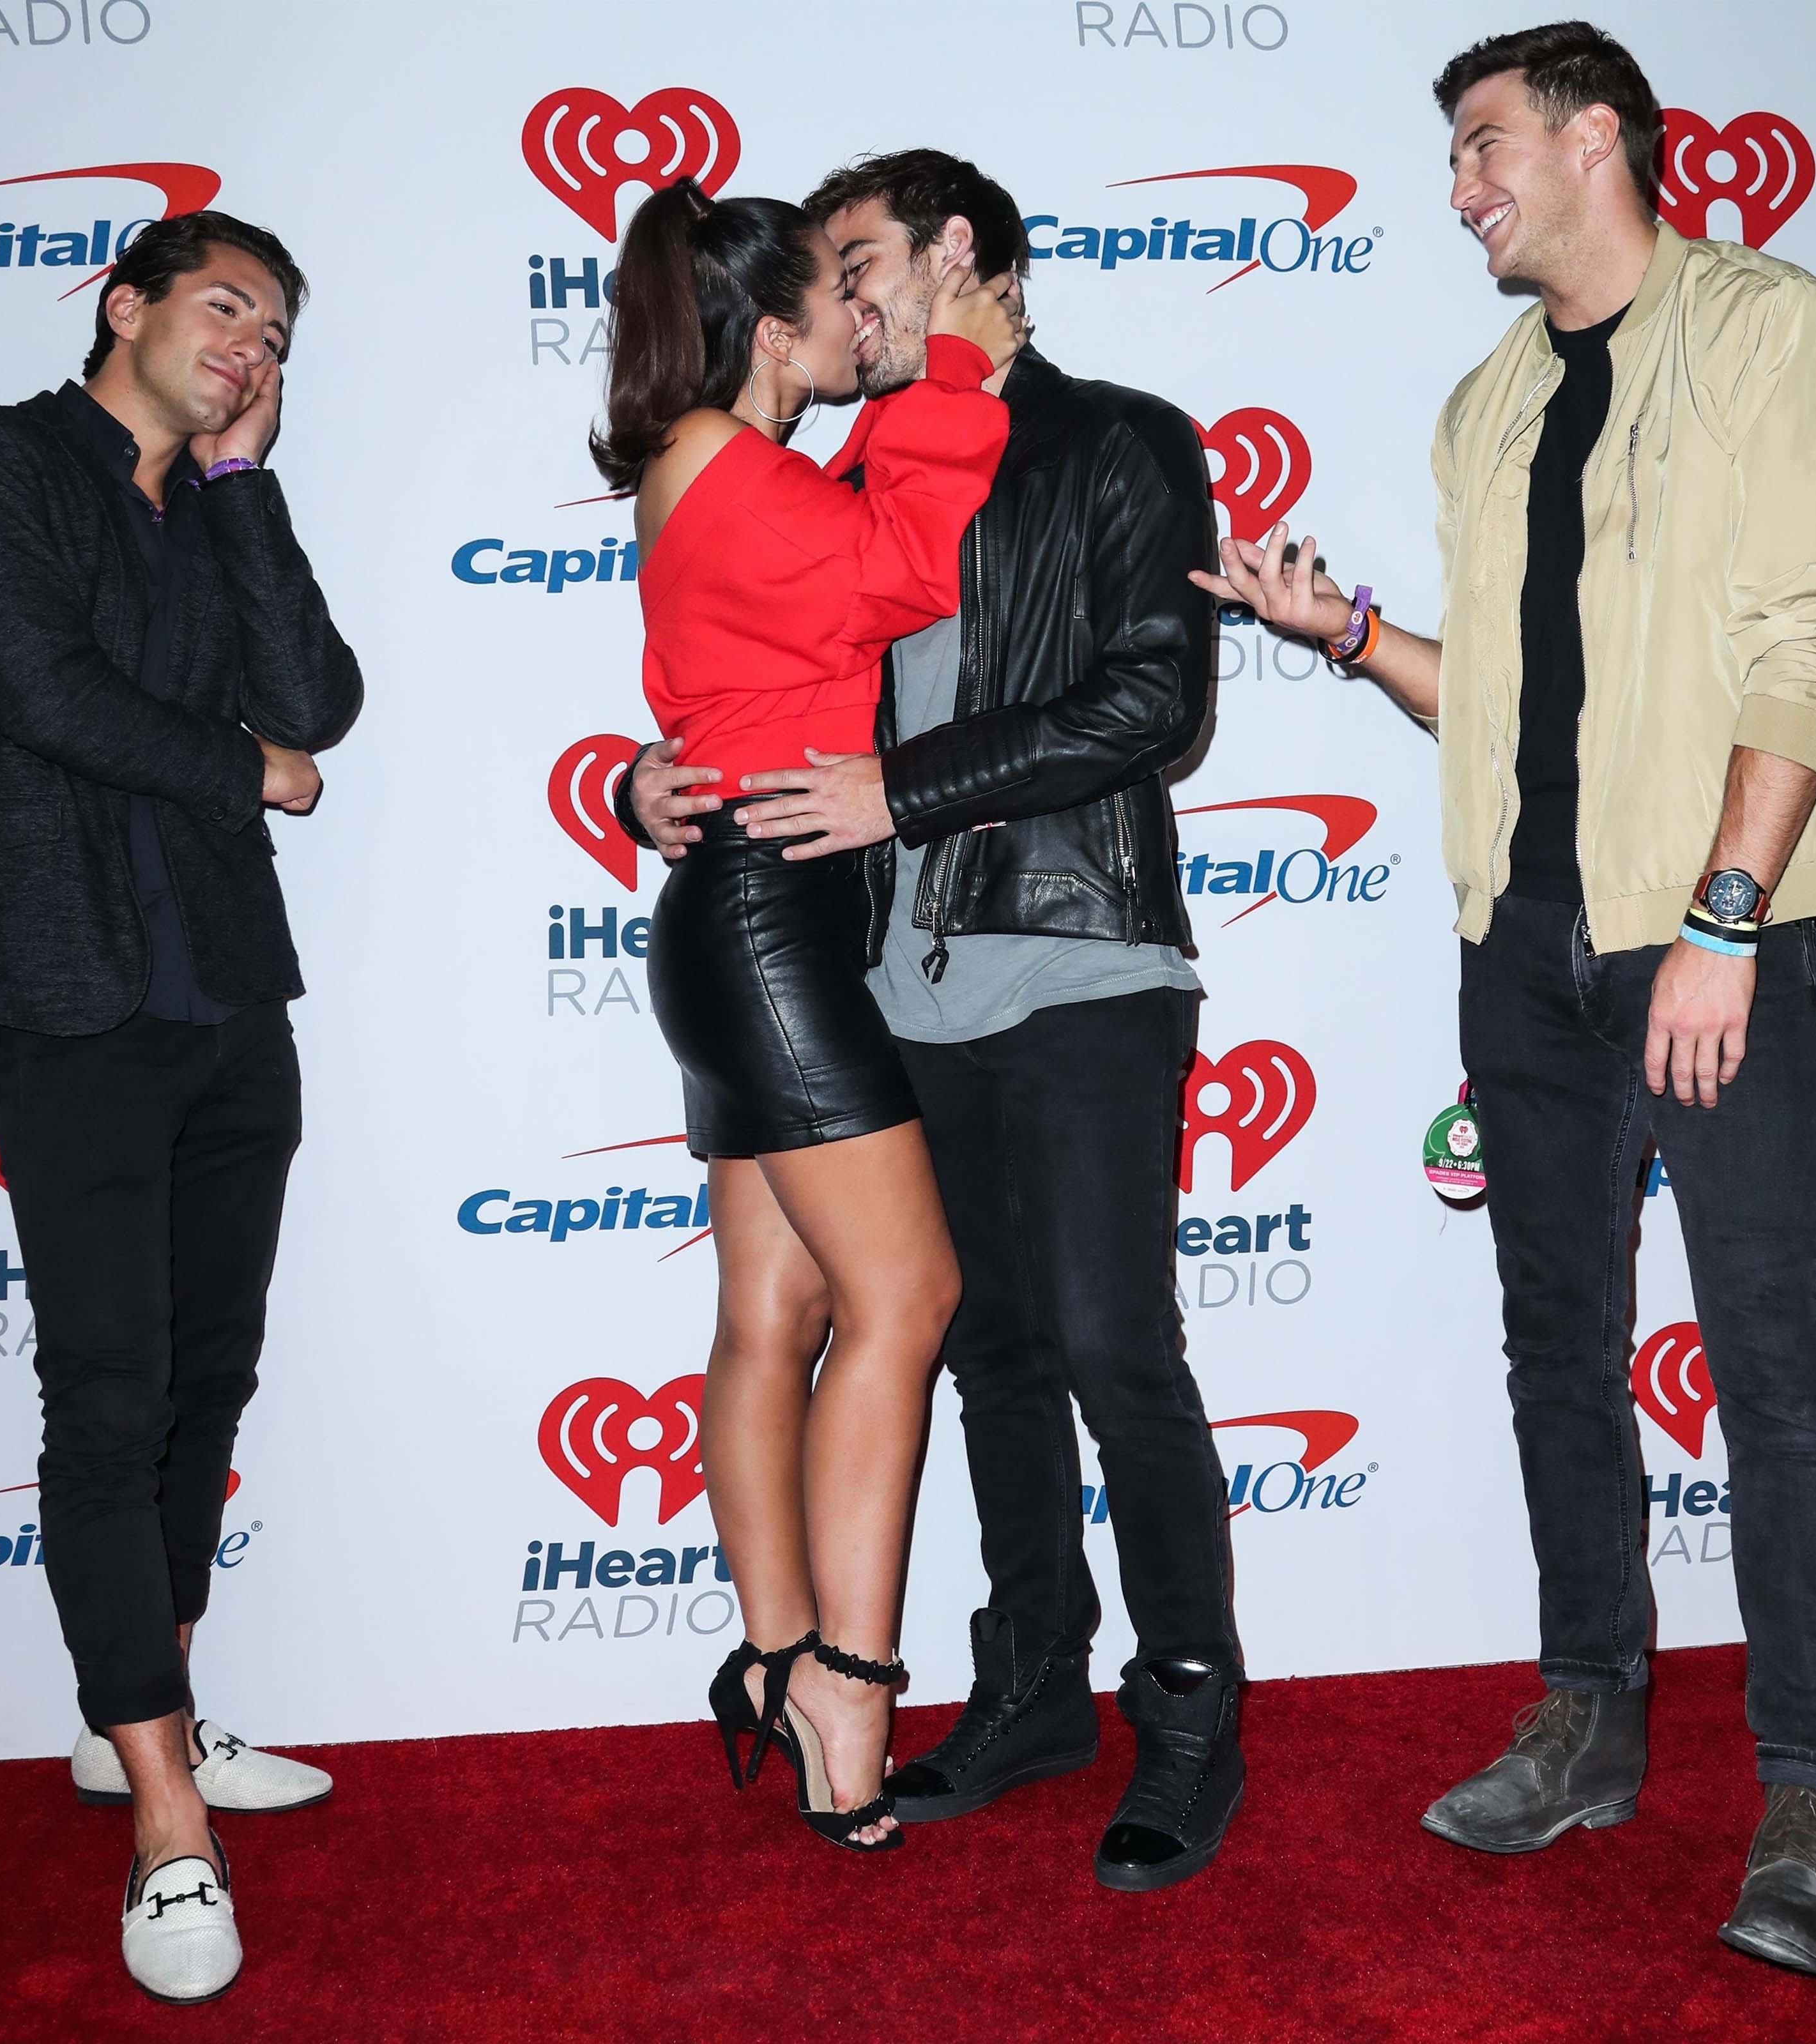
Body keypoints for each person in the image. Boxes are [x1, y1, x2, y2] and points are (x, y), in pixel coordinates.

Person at [1192, 21, 1816, 1978]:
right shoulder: (1488, 404)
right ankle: (1590, 1712)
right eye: (1449, 158)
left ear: (1599, 141)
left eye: (1486, 145)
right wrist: (1335, 631)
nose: (1459, 186)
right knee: (1555, 1354)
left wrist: (1728, 917)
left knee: (1770, 1374)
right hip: (1525, 942)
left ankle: (1810, 1787)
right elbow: (1493, 699)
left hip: (1710, 938)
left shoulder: (1765, 330)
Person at [618, 149, 1245, 1893]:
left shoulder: (1119, 436)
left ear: (958, 252)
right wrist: (642, 782)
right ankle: (1035, 1682)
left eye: (869, 262)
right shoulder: (830, 462)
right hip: (896, 977)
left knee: (1116, 1344)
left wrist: (898, 790)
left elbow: (1150, 704)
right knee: (987, 1360)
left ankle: (1187, 1707)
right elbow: (756, 682)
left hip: (1079, 953)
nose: (853, 299)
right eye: (825, 275)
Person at [0, 211, 362, 2002]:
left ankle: (138, 1704)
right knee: (105, 1387)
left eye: (279, 336)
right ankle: (166, 1812)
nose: (254, 346)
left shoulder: (215, 498)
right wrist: (248, 764)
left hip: (229, 986)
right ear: (127, 305)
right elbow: (29, 692)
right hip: (67, 980)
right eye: (227, 308)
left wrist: (246, 489)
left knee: (206, 1374)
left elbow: (320, 696)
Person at [588, 175, 1017, 1852]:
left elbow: (811, 607)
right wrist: (958, 372)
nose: (867, 318)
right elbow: (907, 569)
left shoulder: (740, 465)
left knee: (776, 1319)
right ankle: (848, 1672)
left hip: (760, 917)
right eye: (838, 295)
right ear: (772, 332)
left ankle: (771, 1661)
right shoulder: (714, 456)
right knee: (905, 1294)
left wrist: (639, 786)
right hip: (768, 926)